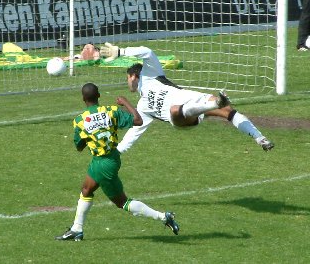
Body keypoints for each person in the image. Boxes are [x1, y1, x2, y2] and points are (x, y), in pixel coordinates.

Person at [55, 83, 179, 241]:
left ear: (83, 99)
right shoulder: (111, 111)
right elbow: (138, 120)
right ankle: (76, 229)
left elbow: (79, 147)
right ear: (98, 95)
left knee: (122, 202)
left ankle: (163, 217)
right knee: (86, 189)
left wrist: (90, 136)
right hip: (111, 157)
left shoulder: (80, 121)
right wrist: (125, 102)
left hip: (102, 164)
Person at [99, 43, 275, 153]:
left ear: (133, 76)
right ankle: (215, 103)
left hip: (192, 99)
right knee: (175, 109)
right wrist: (115, 152)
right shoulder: (142, 106)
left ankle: (260, 138)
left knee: (228, 111)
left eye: (127, 78)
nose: (127, 83)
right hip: (180, 118)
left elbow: (147, 52)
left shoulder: (151, 74)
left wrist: (121, 51)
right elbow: (134, 133)